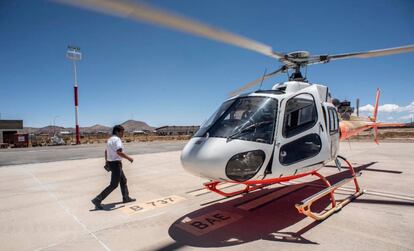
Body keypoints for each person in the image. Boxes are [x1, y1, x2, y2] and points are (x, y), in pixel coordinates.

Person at [91, 125, 136, 210]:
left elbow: (106, 151)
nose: (123, 134)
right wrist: (129, 158)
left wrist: (106, 161)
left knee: (123, 180)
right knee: (114, 185)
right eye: (122, 132)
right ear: (117, 132)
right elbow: (119, 152)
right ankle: (97, 200)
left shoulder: (110, 139)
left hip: (112, 163)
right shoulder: (117, 140)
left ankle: (126, 197)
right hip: (116, 164)